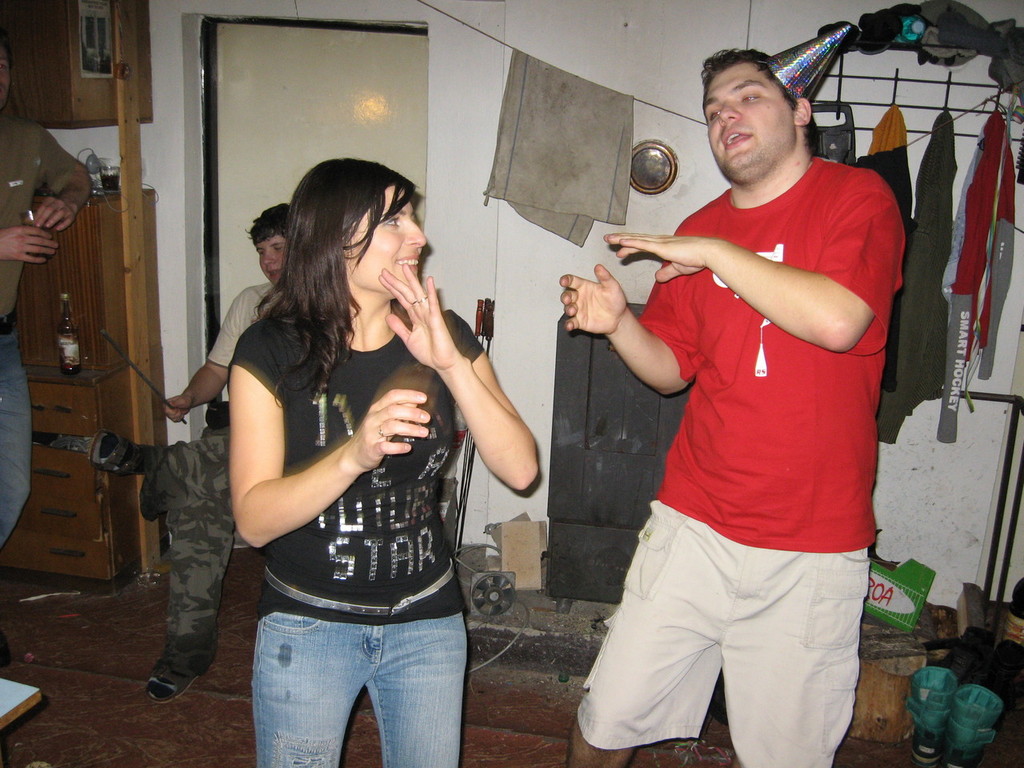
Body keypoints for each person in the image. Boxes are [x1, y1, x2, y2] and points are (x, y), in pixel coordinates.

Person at [558, 49, 904, 768]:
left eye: (748, 97)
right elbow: (670, 372)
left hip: (811, 545)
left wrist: (714, 253)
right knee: (605, 719)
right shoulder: (702, 226)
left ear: (801, 111)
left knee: (785, 756)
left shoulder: (857, 196)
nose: (726, 117)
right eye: (715, 110)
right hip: (694, 525)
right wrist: (619, 324)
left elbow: (839, 321)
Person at [229, 158, 537, 768]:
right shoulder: (270, 348)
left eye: (412, 218)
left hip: (427, 621)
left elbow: (521, 469)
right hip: (309, 623)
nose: (418, 235)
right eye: (395, 221)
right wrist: (354, 454)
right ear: (335, 237)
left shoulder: (442, 332)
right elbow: (254, 521)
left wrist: (450, 363)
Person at [88, 203, 289, 701]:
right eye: (261, 251)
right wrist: (188, 397)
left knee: (196, 470)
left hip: (299, 444)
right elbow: (217, 370)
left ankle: (153, 464)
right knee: (196, 504)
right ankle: (186, 653)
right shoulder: (251, 301)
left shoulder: (333, 306)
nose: (267, 261)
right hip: (236, 440)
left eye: (278, 248)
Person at [0, 26, 91, 665]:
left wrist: (67, 202)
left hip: (3, 343)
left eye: (3, 64)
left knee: (11, 485)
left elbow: (76, 176)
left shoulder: (23, 136)